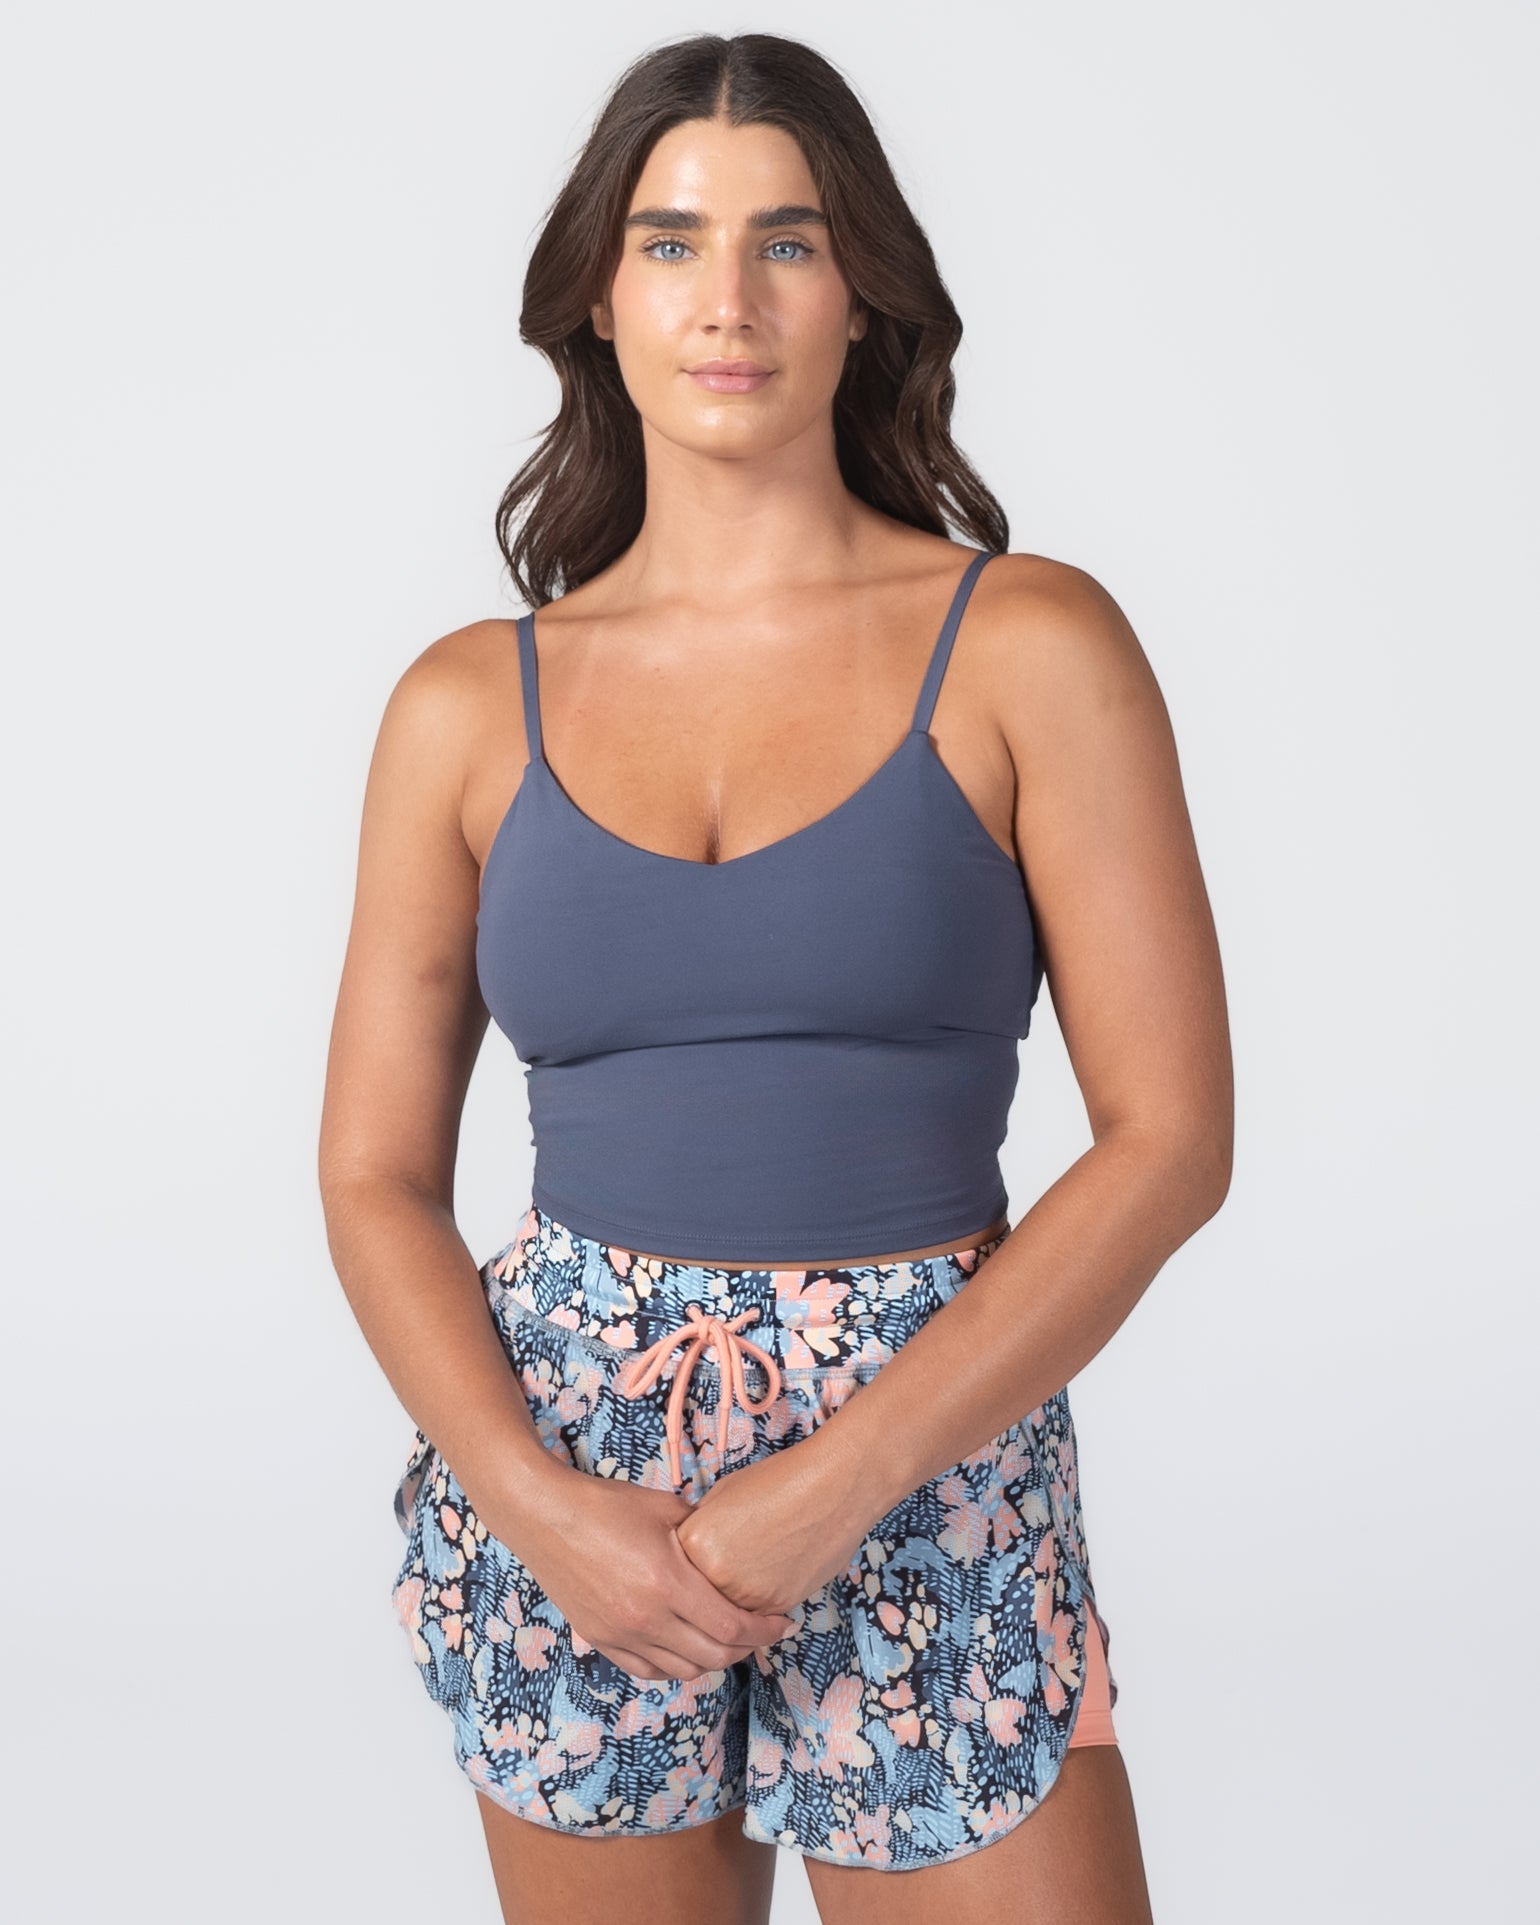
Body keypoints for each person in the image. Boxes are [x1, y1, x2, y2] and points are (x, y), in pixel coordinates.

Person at [319, 31, 1231, 1925]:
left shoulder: (1029, 646)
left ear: (863, 289)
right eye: (669, 242)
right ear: (598, 293)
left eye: (786, 242)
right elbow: (373, 1173)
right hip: (575, 1487)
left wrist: (844, 1477)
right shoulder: (464, 706)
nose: (724, 299)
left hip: (937, 1458)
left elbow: (1171, 1138)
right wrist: (537, 1504)